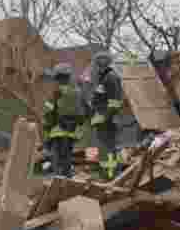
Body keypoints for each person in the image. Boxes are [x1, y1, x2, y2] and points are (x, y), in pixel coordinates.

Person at [88, 51, 125, 180]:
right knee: (107, 148)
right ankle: (110, 174)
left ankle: (110, 175)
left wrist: (104, 117)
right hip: (103, 120)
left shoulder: (110, 77)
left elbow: (115, 102)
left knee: (108, 149)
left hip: (107, 121)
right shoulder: (103, 78)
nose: (96, 65)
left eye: (98, 62)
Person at [43, 63, 83, 177]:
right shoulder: (77, 92)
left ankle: (59, 182)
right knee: (67, 158)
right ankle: (68, 180)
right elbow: (82, 113)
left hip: (57, 131)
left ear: (56, 77)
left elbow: (48, 112)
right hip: (71, 132)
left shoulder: (55, 93)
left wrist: (47, 127)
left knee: (57, 160)